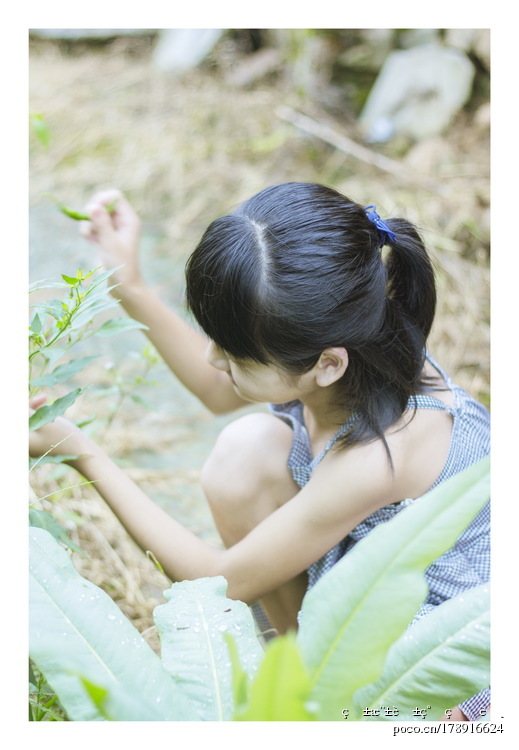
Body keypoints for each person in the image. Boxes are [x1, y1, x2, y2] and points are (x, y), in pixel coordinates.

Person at [29, 182, 490, 721]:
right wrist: (128, 282)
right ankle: (298, 689)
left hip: (455, 659)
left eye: (236, 355)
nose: (212, 358)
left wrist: (79, 451)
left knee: (248, 453)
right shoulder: (346, 335)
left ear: (327, 364)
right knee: (246, 453)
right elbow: (218, 386)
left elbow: (215, 578)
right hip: (385, 583)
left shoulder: (386, 452)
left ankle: (326, 712)